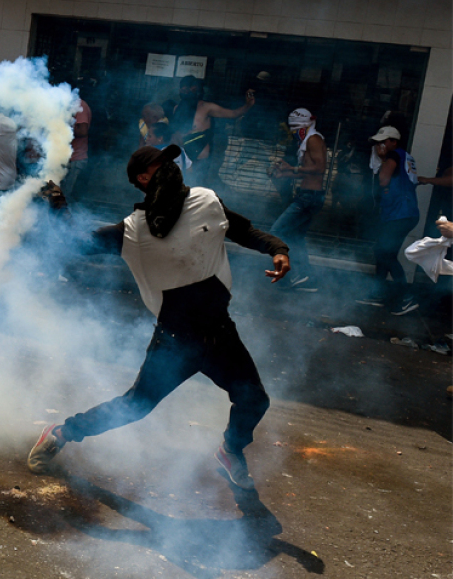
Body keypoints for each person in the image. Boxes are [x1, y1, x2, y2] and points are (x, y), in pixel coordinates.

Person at [28, 144, 290, 491]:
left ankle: (230, 450)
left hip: (219, 335)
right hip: (175, 342)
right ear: (142, 178)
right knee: (135, 406)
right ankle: (61, 432)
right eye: (159, 163)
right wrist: (58, 207)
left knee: (255, 399)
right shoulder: (132, 231)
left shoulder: (206, 200)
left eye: (170, 159)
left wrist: (277, 249)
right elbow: (76, 243)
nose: (170, 165)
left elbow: (243, 230)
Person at [268, 108, 328, 291]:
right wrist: (284, 174)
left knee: (278, 231)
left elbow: (319, 169)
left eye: (295, 129)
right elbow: (308, 172)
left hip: (309, 198)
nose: (294, 133)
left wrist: (292, 170)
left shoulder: (314, 139)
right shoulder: (307, 140)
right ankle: (307, 277)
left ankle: (294, 272)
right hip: (307, 195)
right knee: (296, 236)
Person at [364, 126, 421, 315]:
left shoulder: (394, 155)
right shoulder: (404, 156)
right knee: (384, 252)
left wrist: (382, 159)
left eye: (384, 141)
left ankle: (405, 298)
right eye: (378, 142)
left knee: (385, 253)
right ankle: (377, 294)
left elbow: (383, 180)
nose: (380, 145)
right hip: (402, 213)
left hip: (400, 214)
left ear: (394, 142)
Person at [169, 76, 254, 186]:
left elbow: (233, 114)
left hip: (199, 159)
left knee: (197, 188)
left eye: (189, 90)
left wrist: (248, 105)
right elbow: (174, 134)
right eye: (183, 90)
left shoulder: (206, 107)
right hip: (182, 159)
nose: (185, 92)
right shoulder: (177, 108)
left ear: (196, 90)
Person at [63, 95, 91, 203]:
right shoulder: (66, 104)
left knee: (65, 197)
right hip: (64, 159)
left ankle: (67, 219)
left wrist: (63, 127)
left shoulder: (80, 106)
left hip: (74, 159)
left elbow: (83, 131)